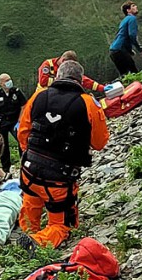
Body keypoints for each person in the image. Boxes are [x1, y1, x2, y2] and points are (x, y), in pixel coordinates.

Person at [17, 59, 109, 248]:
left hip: (29, 172)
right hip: (58, 180)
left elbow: (23, 133)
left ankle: (27, 234)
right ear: (81, 81)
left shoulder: (38, 96)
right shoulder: (87, 103)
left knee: (30, 202)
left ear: (57, 75)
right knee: (61, 225)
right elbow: (99, 143)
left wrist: (35, 152)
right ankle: (36, 242)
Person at [0, 73, 26, 174]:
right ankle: (6, 169)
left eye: (9, 79)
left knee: (21, 140)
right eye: (6, 80)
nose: (9, 82)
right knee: (2, 144)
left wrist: (20, 121)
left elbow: (23, 106)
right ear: (1, 83)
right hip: (4, 121)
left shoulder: (16, 92)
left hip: (15, 120)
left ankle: (23, 164)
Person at [37, 50, 106, 94]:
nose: (69, 67)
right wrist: (63, 80)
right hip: (43, 94)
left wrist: (100, 87)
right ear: (63, 61)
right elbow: (43, 82)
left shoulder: (67, 67)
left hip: (58, 94)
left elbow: (83, 79)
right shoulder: (47, 64)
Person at [109, 1, 142, 76]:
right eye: (133, 6)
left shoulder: (124, 20)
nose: (136, 6)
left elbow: (123, 36)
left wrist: (129, 51)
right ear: (128, 10)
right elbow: (132, 35)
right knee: (134, 72)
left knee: (124, 74)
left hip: (113, 50)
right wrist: (141, 49)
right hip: (120, 49)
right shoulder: (132, 18)